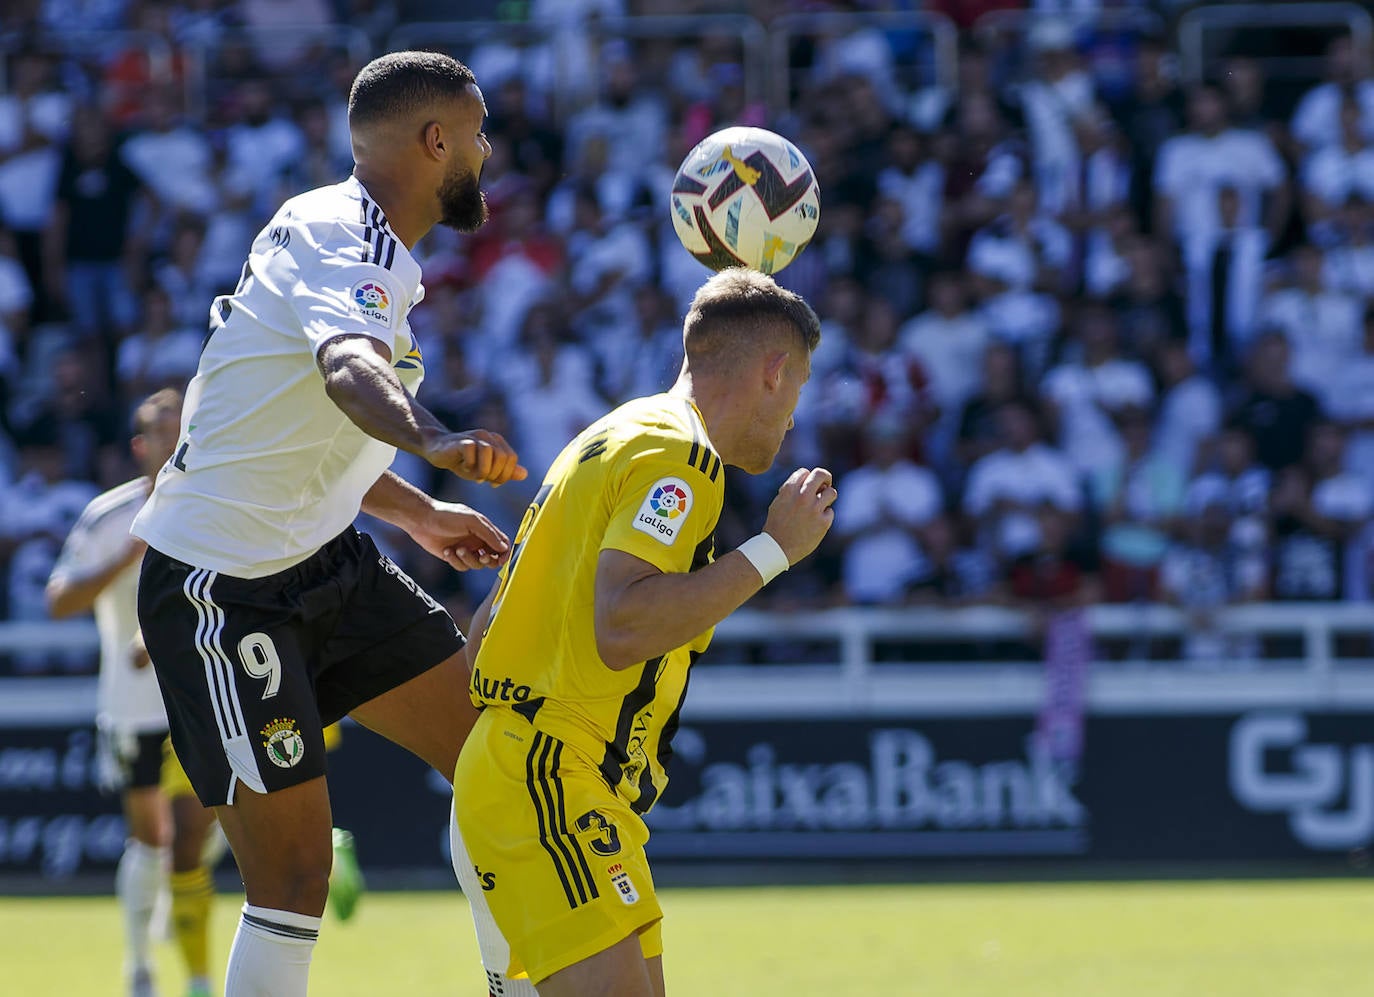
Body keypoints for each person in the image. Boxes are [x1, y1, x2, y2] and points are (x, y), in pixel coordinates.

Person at [129, 51, 526, 997]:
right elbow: (350, 369)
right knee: (297, 881)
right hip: (220, 590)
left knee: (497, 772)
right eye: (476, 134)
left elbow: (292, 423)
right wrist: (434, 439)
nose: (486, 150)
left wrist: (414, 509)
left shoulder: (348, 240)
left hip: (328, 559)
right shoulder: (346, 239)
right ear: (437, 143)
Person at [451, 267, 833, 996]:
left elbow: (484, 626)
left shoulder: (611, 434)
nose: (792, 417)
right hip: (550, 779)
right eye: (800, 387)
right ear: (774, 371)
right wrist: (774, 550)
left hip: (542, 778)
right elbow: (622, 626)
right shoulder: (681, 459)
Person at [46, 390, 181, 996]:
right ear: (140, 445)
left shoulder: (217, 506)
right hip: (134, 704)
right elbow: (59, 601)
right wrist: (124, 560)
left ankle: (190, 941)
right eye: (161, 430)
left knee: (208, 832)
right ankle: (140, 964)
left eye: (183, 428)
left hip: (205, 695)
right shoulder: (110, 516)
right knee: (150, 835)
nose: (173, 440)